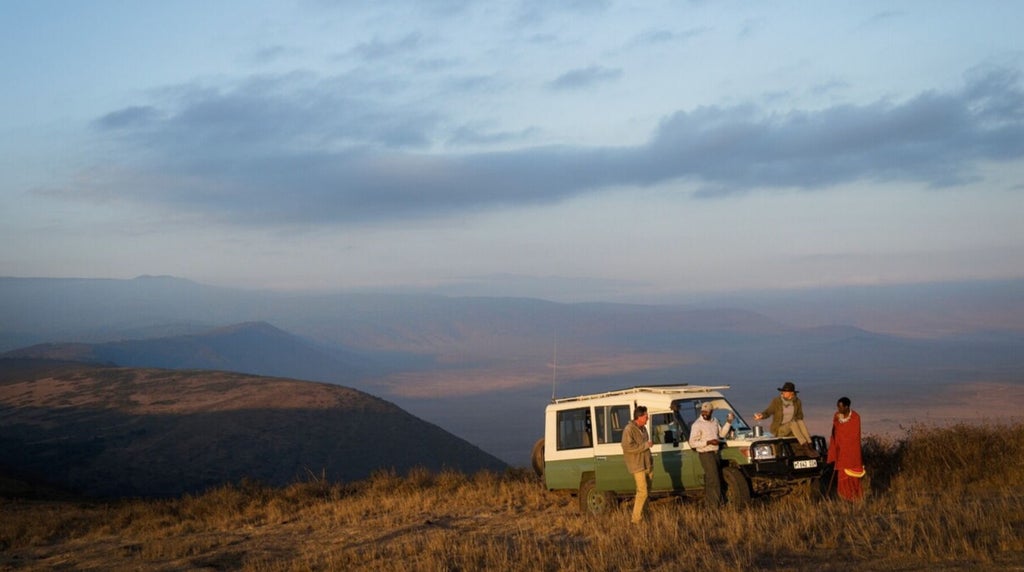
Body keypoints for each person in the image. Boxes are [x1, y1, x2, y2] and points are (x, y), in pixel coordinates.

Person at [688, 401, 733, 508]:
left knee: (710, 479)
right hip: (705, 454)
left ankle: (710, 505)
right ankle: (716, 505)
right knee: (714, 479)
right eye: (703, 411)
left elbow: (721, 434)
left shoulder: (715, 421)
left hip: (715, 453)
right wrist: (708, 442)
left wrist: (728, 422)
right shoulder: (697, 425)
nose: (705, 413)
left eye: (707, 412)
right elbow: (692, 443)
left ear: (711, 412)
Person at [753, 381, 815, 455]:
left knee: (800, 421)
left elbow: (800, 415)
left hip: (793, 429)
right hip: (780, 429)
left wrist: (796, 420)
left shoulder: (797, 402)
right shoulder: (777, 401)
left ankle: (810, 444)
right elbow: (768, 412)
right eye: (783, 391)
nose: (783, 393)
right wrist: (761, 415)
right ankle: (805, 446)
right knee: (792, 423)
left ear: (792, 393)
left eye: (785, 392)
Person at [827, 396, 865, 501]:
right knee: (842, 477)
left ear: (847, 407)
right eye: (838, 407)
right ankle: (846, 498)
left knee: (853, 478)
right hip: (841, 451)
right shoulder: (837, 416)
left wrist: (844, 443)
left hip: (851, 452)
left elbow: (853, 436)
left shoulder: (855, 417)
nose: (839, 410)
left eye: (841, 407)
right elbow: (835, 433)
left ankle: (855, 497)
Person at [621, 405, 653, 524]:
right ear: (639, 417)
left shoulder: (643, 429)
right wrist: (645, 446)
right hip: (637, 465)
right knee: (642, 491)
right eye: (646, 416)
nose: (647, 418)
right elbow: (627, 447)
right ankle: (636, 519)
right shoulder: (629, 429)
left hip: (647, 464)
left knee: (647, 491)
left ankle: (644, 514)